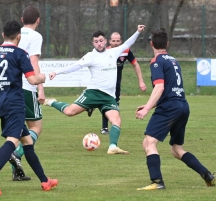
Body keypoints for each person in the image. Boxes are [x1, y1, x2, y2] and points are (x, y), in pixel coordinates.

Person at [0, 20, 58, 195]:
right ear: (18, 36)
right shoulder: (20, 54)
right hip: (15, 103)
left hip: (0, 103)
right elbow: (33, 80)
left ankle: (45, 181)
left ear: (3, 35)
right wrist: (43, 77)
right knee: (12, 140)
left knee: (27, 142)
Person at [43, 25, 145, 155]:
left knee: (116, 120)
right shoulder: (90, 56)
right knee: (69, 112)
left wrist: (137, 31)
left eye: (101, 40)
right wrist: (56, 72)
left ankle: (113, 146)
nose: (99, 43)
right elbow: (75, 66)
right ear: (93, 43)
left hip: (108, 97)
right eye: (96, 41)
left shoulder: (113, 52)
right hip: (93, 93)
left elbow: (127, 43)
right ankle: (51, 102)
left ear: (106, 41)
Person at [135, 28, 215, 190]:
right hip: (182, 106)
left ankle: (157, 182)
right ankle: (206, 174)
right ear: (168, 44)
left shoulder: (157, 61)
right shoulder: (173, 61)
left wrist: (147, 109)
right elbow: (171, 89)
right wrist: (152, 104)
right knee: (176, 149)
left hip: (170, 107)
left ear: (151, 44)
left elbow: (159, 87)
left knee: (149, 142)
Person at [8, 6, 46, 181]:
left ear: (22, 20)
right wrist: (40, 88)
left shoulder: (15, 33)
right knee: (36, 127)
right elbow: (33, 61)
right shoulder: (36, 36)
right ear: (38, 20)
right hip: (27, 86)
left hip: (11, 88)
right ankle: (17, 153)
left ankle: (16, 172)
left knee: (17, 130)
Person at [88, 32, 147, 135]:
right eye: (113, 41)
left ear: (121, 41)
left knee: (114, 104)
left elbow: (135, 65)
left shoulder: (126, 51)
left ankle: (111, 123)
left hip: (116, 83)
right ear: (109, 41)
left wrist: (141, 81)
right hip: (104, 82)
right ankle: (104, 127)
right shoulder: (105, 51)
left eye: (118, 41)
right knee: (106, 102)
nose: (116, 43)